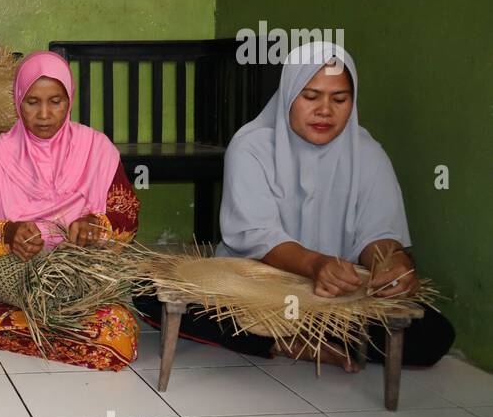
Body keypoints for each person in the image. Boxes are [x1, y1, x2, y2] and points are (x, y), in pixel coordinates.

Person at [137, 42, 454, 368]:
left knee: (434, 335)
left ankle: (294, 333)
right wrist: (315, 265)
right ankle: (285, 340)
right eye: (311, 96)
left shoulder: (368, 154)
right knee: (147, 292)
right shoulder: (252, 147)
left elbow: (378, 235)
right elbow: (257, 235)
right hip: (254, 289)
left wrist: (391, 265)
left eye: (340, 99)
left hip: (333, 297)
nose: (325, 111)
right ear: (289, 94)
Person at [0, 51, 142, 370]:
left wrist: (95, 225)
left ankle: (17, 317)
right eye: (32, 102)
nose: (44, 114)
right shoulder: (3, 152)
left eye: (55, 101)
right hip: (17, 267)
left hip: (78, 264)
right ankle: (52, 314)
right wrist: (9, 233)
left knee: (118, 334)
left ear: (69, 99)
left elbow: (125, 214)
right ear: (19, 100)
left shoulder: (97, 149)